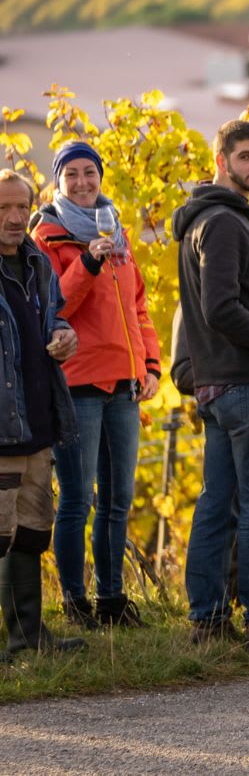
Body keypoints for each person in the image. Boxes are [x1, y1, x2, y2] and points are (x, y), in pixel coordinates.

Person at [172, 119, 249, 648]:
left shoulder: (206, 220)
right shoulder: (224, 222)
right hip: (244, 383)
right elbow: (219, 308)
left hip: (215, 382)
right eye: (245, 157)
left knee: (215, 501)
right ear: (220, 161)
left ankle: (207, 621)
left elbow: (225, 302)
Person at [30, 141, 160, 630]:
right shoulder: (47, 238)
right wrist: (86, 262)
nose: (83, 182)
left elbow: (139, 308)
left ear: (100, 177)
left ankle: (112, 599)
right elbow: (52, 306)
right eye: (72, 175)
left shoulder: (119, 234)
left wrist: (149, 365)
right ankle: (74, 601)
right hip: (78, 383)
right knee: (77, 500)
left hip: (124, 385)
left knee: (117, 499)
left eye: (90, 172)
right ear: (58, 183)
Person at [0, 168, 84, 662]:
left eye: (20, 207)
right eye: (3, 209)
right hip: (2, 428)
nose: (14, 218)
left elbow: (54, 316)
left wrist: (63, 334)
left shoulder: (38, 264)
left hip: (37, 422)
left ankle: (27, 638)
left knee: (31, 531)